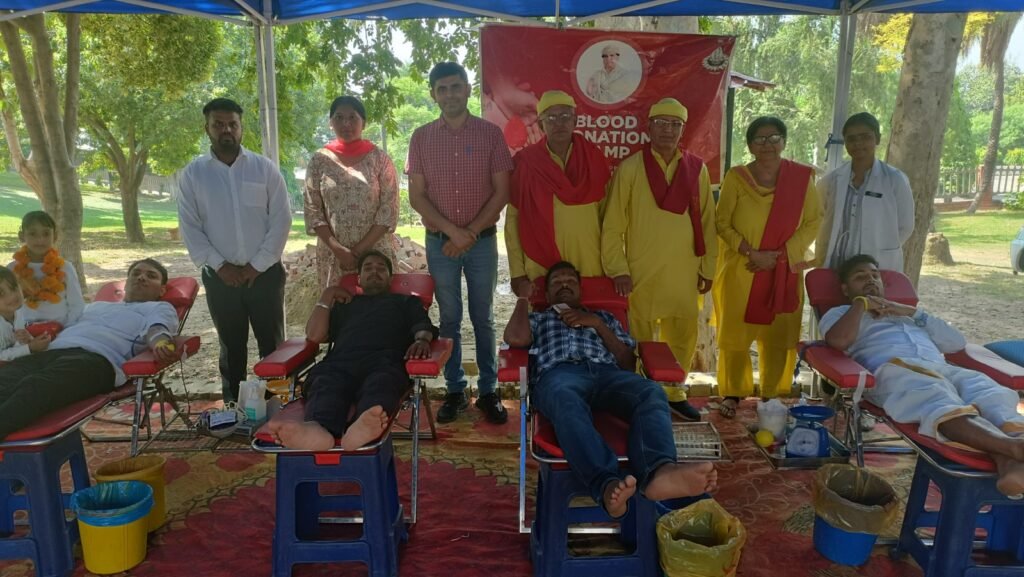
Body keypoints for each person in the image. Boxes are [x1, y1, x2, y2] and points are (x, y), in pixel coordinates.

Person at [503, 261, 717, 518]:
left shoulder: (603, 318)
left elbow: (627, 363)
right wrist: (523, 299)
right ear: (547, 295)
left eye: (570, 281)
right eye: (557, 282)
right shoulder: (539, 318)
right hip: (560, 375)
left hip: (608, 375)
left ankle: (659, 472)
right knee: (565, 400)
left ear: (580, 291)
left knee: (651, 392)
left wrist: (597, 324)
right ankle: (606, 484)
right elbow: (515, 338)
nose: (564, 285)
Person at [821, 254, 1024, 497]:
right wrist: (860, 304)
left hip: (942, 368)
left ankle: (1010, 462)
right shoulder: (841, 313)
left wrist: (912, 312)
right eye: (860, 276)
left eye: (875, 275)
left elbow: (956, 343)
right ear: (845, 289)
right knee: (937, 397)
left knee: (989, 392)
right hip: (893, 370)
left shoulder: (908, 315)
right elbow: (838, 341)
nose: (871, 280)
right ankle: (1012, 447)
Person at [406, 61, 514, 424]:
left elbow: (502, 191)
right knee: (449, 318)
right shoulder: (421, 137)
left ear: (468, 89)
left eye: (456, 87)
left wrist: (468, 233)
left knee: (484, 317)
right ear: (433, 95)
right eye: (442, 89)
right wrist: (453, 232)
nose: (450, 94)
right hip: (441, 244)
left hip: (482, 243)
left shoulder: (490, 134)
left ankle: (488, 391)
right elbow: (417, 197)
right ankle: (455, 390)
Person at [602, 98, 717, 422]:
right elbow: (613, 224)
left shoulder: (696, 169)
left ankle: (675, 393)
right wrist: (618, 268)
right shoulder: (630, 168)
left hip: (684, 269)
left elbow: (707, 222)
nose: (668, 130)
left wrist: (707, 266)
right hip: (640, 270)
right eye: (661, 123)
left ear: (683, 130)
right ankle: (642, 393)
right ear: (649, 127)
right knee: (640, 337)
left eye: (674, 125)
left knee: (682, 334)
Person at [176, 97, 292, 403]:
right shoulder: (193, 175)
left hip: (265, 275)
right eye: (218, 124)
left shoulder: (264, 169)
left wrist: (257, 265)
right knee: (231, 347)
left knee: (273, 346)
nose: (226, 130)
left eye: (232, 124)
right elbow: (190, 227)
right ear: (207, 128)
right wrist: (221, 266)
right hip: (220, 278)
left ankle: (279, 405)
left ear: (241, 128)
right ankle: (233, 408)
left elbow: (281, 220)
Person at [267, 250, 438, 451]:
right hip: (339, 363)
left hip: (384, 361)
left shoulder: (405, 302)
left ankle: (362, 427)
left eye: (381, 268)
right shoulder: (345, 304)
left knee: (382, 383)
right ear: (359, 279)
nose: (374, 272)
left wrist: (422, 340)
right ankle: (317, 430)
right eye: (368, 268)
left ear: (390, 278)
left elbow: (423, 326)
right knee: (325, 383)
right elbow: (314, 336)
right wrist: (327, 295)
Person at [713, 116, 822, 418]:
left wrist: (781, 254)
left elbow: (813, 220)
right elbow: (721, 222)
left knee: (778, 334)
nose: (768, 144)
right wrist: (752, 252)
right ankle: (733, 392)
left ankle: (772, 393)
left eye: (774, 138)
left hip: (783, 270)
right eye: (760, 139)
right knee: (736, 334)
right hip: (743, 269)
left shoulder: (801, 178)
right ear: (750, 145)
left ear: (784, 142)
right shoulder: (736, 177)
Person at [0, 259, 179, 439]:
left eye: (151, 276)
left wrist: (160, 344)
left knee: (35, 385)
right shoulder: (95, 306)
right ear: (126, 283)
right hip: (51, 351)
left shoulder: (159, 307)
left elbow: (157, 330)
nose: (141, 277)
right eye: (136, 273)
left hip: (96, 360)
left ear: (162, 290)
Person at [507, 90, 610, 296]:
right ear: (541, 125)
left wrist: (613, 265)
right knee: (543, 311)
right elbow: (513, 219)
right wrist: (517, 272)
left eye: (565, 116)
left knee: (590, 310)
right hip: (539, 256)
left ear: (575, 121)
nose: (559, 123)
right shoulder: (526, 162)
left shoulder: (594, 157)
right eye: (551, 118)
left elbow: (609, 217)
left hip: (589, 256)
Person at [304, 95, 399, 287]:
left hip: (375, 255)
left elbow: (389, 208)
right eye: (339, 117)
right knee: (336, 303)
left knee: (378, 304)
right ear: (331, 123)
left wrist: (358, 251)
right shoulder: (319, 160)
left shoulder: (380, 159)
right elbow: (313, 210)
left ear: (364, 123)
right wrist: (339, 250)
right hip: (333, 256)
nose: (346, 124)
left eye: (352, 117)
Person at [816, 112, 914, 271]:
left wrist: (881, 246)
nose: (858, 143)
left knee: (872, 287)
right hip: (836, 264)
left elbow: (905, 226)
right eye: (851, 139)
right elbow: (819, 219)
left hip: (877, 266)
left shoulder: (895, 180)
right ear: (845, 142)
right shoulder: (830, 181)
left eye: (865, 137)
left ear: (878, 139)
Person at [8, 211, 85, 327]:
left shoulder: (65, 268)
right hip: (23, 329)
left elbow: (77, 304)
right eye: (32, 234)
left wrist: (67, 328)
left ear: (55, 236)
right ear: (22, 236)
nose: (40, 239)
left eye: (46, 233)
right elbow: (6, 305)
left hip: (61, 328)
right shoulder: (12, 269)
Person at [0, 267, 50, 361]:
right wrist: (29, 348)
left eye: (14, 288)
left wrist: (28, 339)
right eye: (1, 294)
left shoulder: (18, 312)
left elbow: (15, 344)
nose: (12, 296)